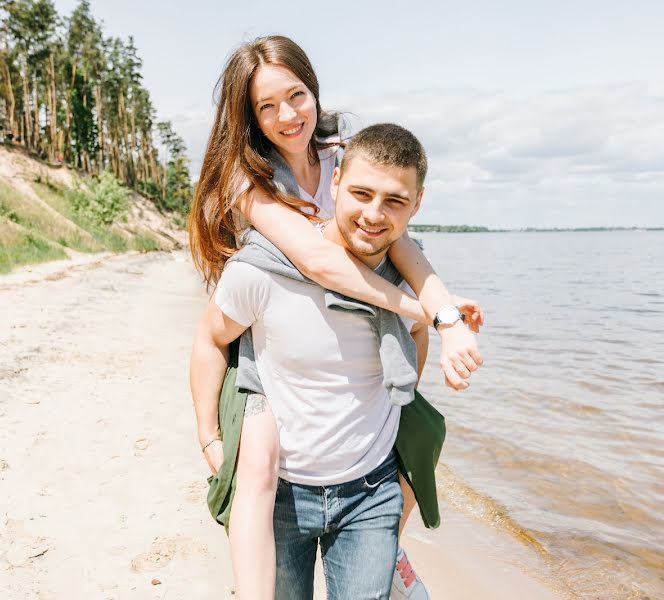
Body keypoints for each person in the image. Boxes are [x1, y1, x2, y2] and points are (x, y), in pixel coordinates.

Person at [188, 37, 484, 599]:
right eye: (266, 107)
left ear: (313, 90)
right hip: (266, 333)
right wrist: (416, 307)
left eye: (296, 96)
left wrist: (443, 314)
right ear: (249, 116)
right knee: (255, 468)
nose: (286, 115)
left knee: (412, 424)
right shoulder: (248, 180)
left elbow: (402, 242)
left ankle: (385, 547)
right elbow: (321, 261)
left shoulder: (340, 153)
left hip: (347, 325)